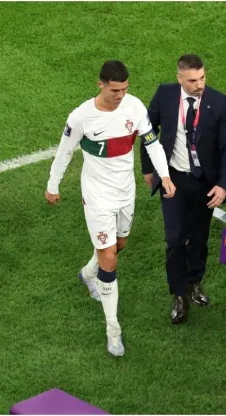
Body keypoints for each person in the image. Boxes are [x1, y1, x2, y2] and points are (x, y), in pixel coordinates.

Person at [45, 60, 175, 356]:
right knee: (109, 258)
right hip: (97, 195)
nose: (120, 95)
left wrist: (164, 175)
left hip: (125, 191)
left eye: (125, 89)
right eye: (115, 90)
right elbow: (64, 151)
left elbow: (152, 143)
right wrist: (53, 185)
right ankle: (112, 329)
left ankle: (88, 273)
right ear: (100, 84)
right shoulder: (81, 117)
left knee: (120, 245)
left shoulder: (134, 107)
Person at [142, 54, 226, 324]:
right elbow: (148, 130)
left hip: (204, 182)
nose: (200, 85)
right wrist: (149, 168)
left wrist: (224, 184)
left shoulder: (220, 103)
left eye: (203, 78)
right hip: (172, 178)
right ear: (180, 79)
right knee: (174, 239)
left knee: (198, 237)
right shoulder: (164, 94)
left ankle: (195, 281)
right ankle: (179, 294)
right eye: (193, 80)